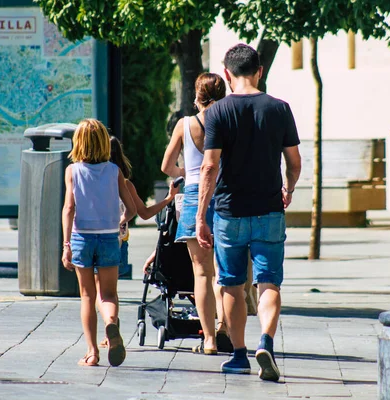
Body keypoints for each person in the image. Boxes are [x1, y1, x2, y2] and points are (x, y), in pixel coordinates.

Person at [196, 44, 302, 382]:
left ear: (227, 75)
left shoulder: (217, 113)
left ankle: (239, 355)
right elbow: (295, 162)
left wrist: (201, 215)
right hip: (269, 208)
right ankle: (266, 341)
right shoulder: (280, 109)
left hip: (229, 211)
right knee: (269, 280)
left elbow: (210, 166)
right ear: (259, 71)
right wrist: (289, 187)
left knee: (231, 284)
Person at [161, 72, 232, 355]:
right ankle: (226, 327)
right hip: (225, 197)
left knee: (201, 274)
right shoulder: (228, 124)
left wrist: (183, 174)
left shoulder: (185, 125)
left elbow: (167, 165)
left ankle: (209, 341)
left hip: (193, 197)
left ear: (197, 96)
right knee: (225, 273)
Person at [61, 118, 137, 367]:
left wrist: (66, 245)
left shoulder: (72, 171)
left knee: (86, 296)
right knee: (108, 294)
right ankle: (111, 325)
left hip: (82, 236)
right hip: (108, 237)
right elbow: (132, 207)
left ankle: (92, 353)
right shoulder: (114, 171)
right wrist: (119, 221)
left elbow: (69, 208)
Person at [97, 136, 180, 348]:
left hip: (96, 237)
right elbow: (143, 213)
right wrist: (169, 199)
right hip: (119, 243)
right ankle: (111, 328)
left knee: (98, 291)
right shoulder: (126, 184)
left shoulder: (94, 179)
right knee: (110, 290)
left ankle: (109, 326)